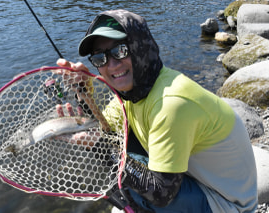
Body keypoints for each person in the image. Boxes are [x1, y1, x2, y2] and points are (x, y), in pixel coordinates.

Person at [57, 9, 258, 213]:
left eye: (120, 51)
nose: (112, 64)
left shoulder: (170, 103)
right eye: (100, 58)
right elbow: (106, 134)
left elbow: (161, 195)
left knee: (124, 182)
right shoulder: (133, 92)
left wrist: (101, 148)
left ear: (141, 47)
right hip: (201, 181)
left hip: (229, 204)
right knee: (121, 153)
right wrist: (84, 96)